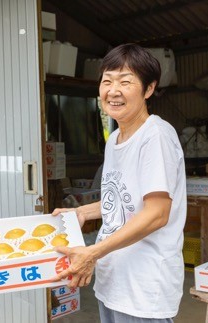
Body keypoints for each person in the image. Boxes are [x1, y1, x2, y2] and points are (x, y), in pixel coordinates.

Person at [52, 43, 186, 323]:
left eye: (126, 82)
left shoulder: (156, 136)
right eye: (107, 81)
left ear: (149, 89)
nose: (113, 91)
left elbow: (157, 213)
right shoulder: (115, 139)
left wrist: (93, 252)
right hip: (114, 279)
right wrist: (82, 212)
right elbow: (122, 197)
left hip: (144, 286)